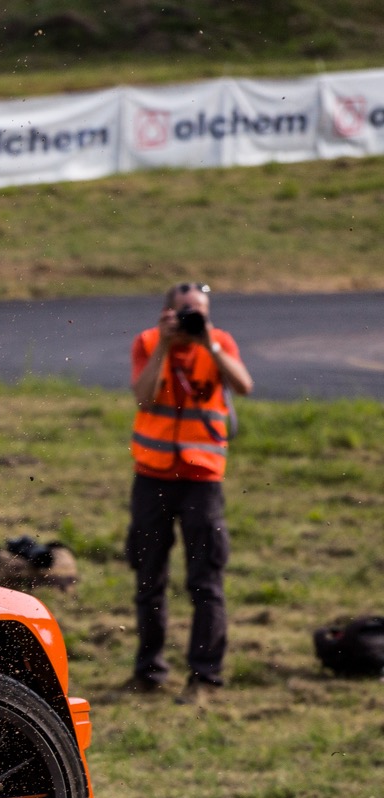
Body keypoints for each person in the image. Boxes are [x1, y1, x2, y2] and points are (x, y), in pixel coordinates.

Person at [125, 282, 254, 702]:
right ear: (165, 313)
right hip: (153, 475)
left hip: (202, 478)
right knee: (149, 578)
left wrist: (210, 344)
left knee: (206, 580)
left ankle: (204, 677)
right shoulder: (146, 342)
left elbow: (244, 386)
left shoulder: (219, 342)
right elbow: (144, 398)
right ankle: (149, 671)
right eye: (184, 311)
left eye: (199, 311)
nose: (191, 318)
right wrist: (163, 346)